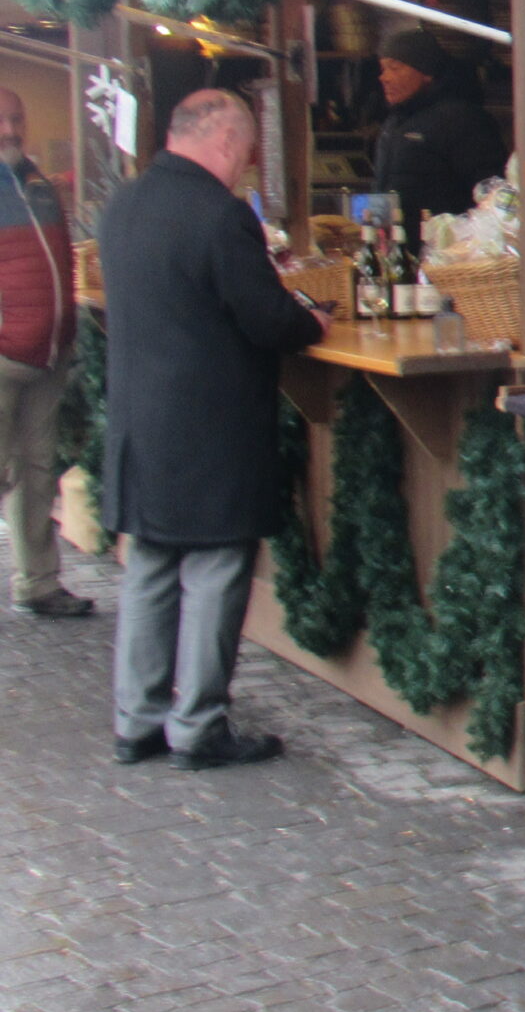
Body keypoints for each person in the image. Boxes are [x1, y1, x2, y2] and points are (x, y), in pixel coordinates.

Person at [99, 90, 326, 768]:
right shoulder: (220, 215)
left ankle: (136, 722)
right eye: (247, 152)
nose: (245, 166)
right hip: (211, 427)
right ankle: (198, 727)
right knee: (216, 569)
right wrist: (312, 321)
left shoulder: (123, 204)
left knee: (150, 567)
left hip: (139, 423)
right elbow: (266, 318)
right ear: (226, 140)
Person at [0, 87, 91, 617]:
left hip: (47, 354)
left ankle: (37, 583)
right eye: (1, 121)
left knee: (36, 474)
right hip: (5, 355)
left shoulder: (38, 184)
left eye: (17, 118)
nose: (10, 130)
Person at [372, 27, 508, 228]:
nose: (384, 78)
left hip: (444, 243)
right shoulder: (393, 123)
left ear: (427, 73)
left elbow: (491, 191)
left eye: (395, 68)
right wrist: (374, 230)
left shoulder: (462, 120)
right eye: (383, 69)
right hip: (396, 243)